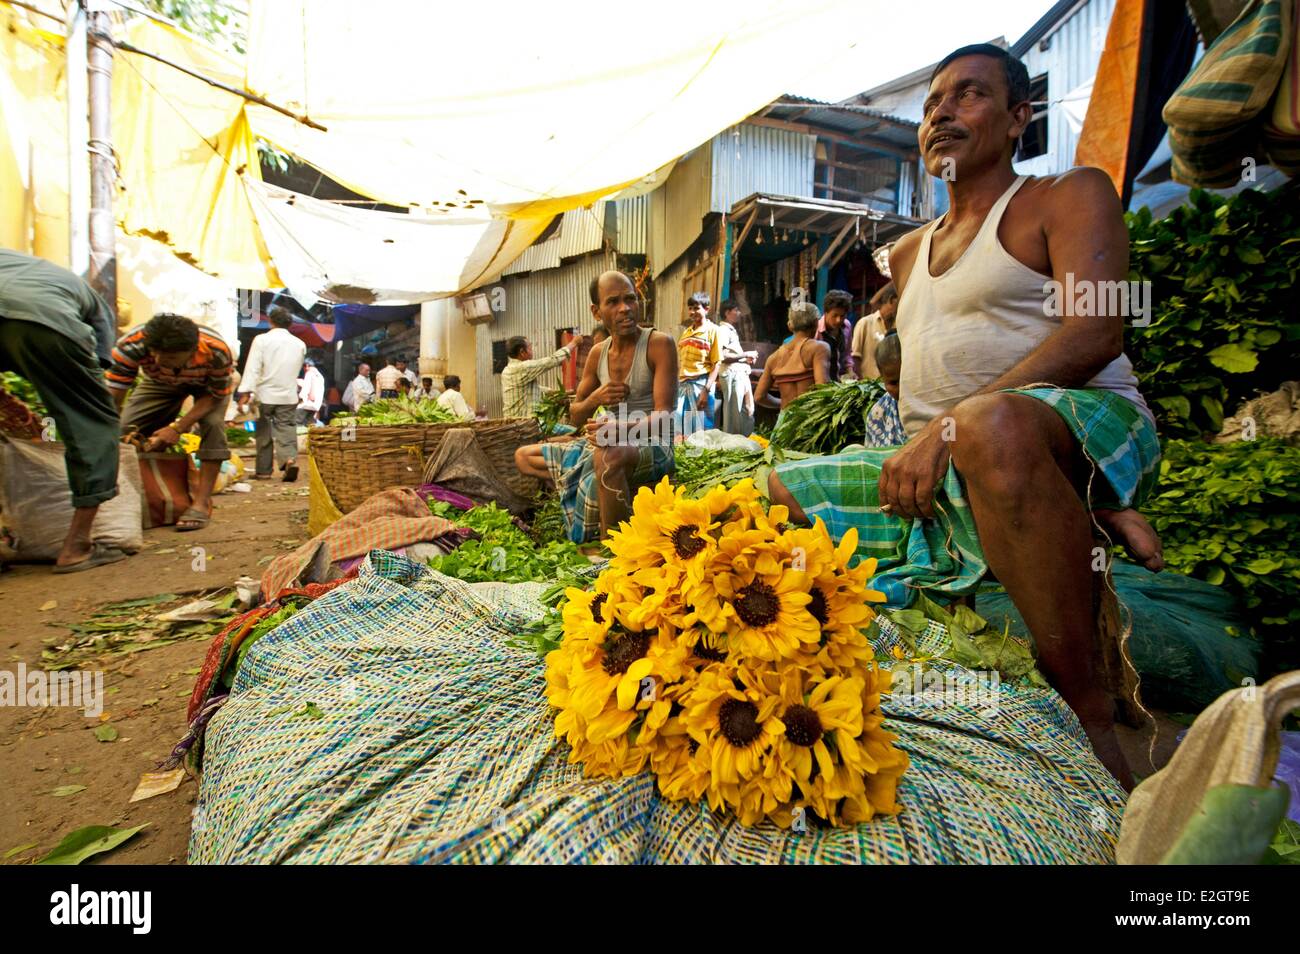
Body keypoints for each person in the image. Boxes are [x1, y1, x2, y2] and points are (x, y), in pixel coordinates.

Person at [767, 43, 1164, 788]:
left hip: (1079, 421)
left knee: (990, 429)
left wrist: (953, 428)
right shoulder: (907, 253)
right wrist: (932, 435)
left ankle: (1088, 715)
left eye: (968, 95)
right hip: (953, 455)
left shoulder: (1067, 195)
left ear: (1020, 117)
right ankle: (1081, 515)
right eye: (931, 104)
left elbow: (1095, 329)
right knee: (776, 496)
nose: (942, 112)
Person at [514, 271, 677, 541]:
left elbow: (665, 417)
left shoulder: (659, 344)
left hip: (653, 443)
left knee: (607, 457)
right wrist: (596, 398)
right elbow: (576, 415)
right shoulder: (598, 353)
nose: (625, 308)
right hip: (607, 439)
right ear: (596, 311)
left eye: (630, 299)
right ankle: (582, 482)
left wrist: (621, 430)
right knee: (524, 456)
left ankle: (612, 549)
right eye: (613, 302)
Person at [0, 249, 125, 572]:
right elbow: (96, 375)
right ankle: (76, 546)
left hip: (36, 317)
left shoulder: (11, 260)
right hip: (45, 319)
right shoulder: (89, 299)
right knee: (93, 423)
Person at [107, 312, 235, 531]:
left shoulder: (217, 351)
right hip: (160, 383)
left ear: (192, 351)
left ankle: (201, 502)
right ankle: (136, 498)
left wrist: (177, 427)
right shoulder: (129, 346)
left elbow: (216, 395)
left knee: (213, 425)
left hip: (207, 389)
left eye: (170, 358)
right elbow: (114, 396)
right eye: (154, 354)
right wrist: (108, 430)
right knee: (125, 429)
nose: (157, 361)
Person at [237, 307, 306, 482]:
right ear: (290, 324)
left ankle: (263, 471)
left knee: (264, 433)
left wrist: (245, 393)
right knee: (287, 429)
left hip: (265, 395)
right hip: (288, 395)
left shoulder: (261, 340)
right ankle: (289, 460)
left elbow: (253, 368)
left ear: (270, 321)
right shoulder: (299, 344)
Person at [752, 301, 832, 410]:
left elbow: (759, 397)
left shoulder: (773, 358)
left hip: (784, 422)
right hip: (810, 418)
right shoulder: (819, 348)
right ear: (815, 323)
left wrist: (786, 406)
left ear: (790, 326)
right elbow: (823, 389)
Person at [676, 291, 721, 434]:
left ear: (706, 309)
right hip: (682, 386)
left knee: (699, 430)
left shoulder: (713, 331)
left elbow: (716, 364)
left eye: (696, 308)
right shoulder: (686, 332)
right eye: (690, 308)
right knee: (681, 429)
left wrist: (706, 391)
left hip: (701, 385)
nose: (692, 312)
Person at [501, 334, 576, 418]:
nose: (532, 350)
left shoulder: (507, 370)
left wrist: (554, 392)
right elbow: (552, 360)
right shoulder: (522, 367)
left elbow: (530, 389)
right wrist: (573, 343)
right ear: (522, 352)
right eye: (530, 347)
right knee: (573, 430)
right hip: (524, 426)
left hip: (514, 422)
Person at [715, 298, 755, 435]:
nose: (739, 313)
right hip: (731, 375)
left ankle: (736, 440)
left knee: (738, 410)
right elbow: (723, 356)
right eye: (736, 310)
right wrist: (746, 354)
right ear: (727, 313)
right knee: (734, 412)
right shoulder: (723, 330)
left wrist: (744, 358)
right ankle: (733, 442)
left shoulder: (730, 330)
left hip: (736, 373)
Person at [862, 332, 906, 447]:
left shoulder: (932, 405)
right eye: (893, 383)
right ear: (883, 379)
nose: (901, 388)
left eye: (905, 379)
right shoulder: (878, 415)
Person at [852, 283, 899, 380]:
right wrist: (861, 382)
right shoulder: (865, 323)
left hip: (888, 386)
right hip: (868, 385)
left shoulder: (899, 327)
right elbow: (855, 357)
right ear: (891, 300)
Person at [817, 289, 855, 381]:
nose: (838, 320)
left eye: (842, 316)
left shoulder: (847, 326)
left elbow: (847, 354)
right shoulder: (817, 330)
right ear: (826, 312)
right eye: (835, 315)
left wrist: (850, 371)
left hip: (840, 381)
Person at [297, 357, 325, 425]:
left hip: (306, 405)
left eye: (304, 366)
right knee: (310, 425)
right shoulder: (320, 376)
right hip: (315, 406)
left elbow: (305, 390)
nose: (305, 368)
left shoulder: (309, 373)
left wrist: (299, 398)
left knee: (297, 422)